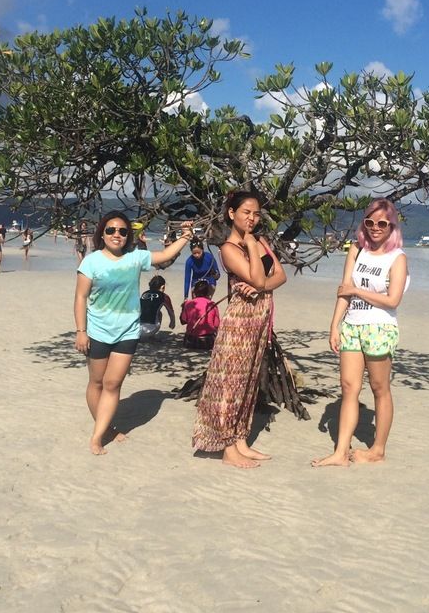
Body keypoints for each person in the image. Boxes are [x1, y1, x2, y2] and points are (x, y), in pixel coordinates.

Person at [74, 212, 193, 455]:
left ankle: (97, 435)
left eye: (122, 231)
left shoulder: (136, 257)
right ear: (102, 233)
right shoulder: (91, 261)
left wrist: (186, 236)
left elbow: (166, 255)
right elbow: (80, 297)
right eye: (111, 230)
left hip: (127, 330)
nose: (116, 235)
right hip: (97, 330)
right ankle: (106, 427)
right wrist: (81, 331)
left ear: (129, 235)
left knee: (113, 383)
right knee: (96, 382)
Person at [192, 190, 287, 468]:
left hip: (259, 318)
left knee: (247, 383)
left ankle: (240, 439)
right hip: (240, 320)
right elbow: (258, 276)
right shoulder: (229, 248)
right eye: (246, 212)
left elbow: (280, 276)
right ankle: (226, 447)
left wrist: (260, 284)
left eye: (256, 214)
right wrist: (250, 245)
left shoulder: (261, 241)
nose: (252, 218)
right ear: (232, 214)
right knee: (230, 383)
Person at [312, 198, 410, 467]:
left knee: (380, 388)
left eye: (382, 223)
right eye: (370, 222)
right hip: (352, 325)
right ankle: (341, 452)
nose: (375, 228)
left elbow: (392, 300)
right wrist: (335, 325)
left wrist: (356, 291)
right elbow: (345, 289)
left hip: (380, 327)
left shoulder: (397, 258)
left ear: (392, 226)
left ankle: (378, 449)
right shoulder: (357, 250)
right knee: (348, 387)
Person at [181, 279, 220, 350]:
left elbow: (183, 321)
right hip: (208, 341)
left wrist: (183, 308)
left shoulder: (188, 303)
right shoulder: (212, 304)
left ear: (195, 292)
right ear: (208, 293)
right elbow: (216, 325)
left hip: (191, 341)